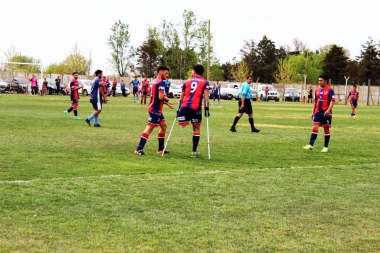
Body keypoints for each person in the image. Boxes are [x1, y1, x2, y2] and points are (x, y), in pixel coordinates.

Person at [134, 66, 173, 156]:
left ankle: (160, 149)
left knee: (164, 126)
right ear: (160, 72)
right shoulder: (161, 82)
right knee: (149, 129)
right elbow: (160, 97)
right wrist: (167, 99)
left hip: (154, 107)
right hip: (155, 109)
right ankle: (138, 149)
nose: (167, 75)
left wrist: (166, 103)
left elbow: (156, 97)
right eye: (166, 73)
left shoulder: (154, 81)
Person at [178, 64, 210, 158]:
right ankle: (193, 151)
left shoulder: (187, 81)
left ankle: (184, 121)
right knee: (196, 129)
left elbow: (182, 95)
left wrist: (179, 108)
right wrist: (206, 108)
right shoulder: (205, 82)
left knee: (183, 124)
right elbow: (206, 96)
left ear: (194, 71)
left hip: (184, 107)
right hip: (195, 108)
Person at [303, 75, 335, 153]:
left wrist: (328, 110)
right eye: (319, 80)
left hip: (326, 113)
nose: (319, 82)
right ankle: (310, 145)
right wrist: (313, 112)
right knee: (315, 127)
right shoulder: (317, 90)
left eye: (321, 80)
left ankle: (325, 147)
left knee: (326, 129)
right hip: (317, 112)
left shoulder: (330, 90)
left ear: (325, 81)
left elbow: (332, 101)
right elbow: (315, 101)